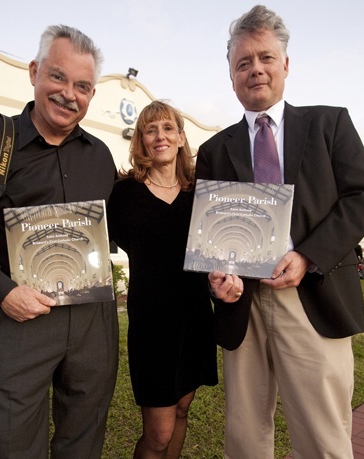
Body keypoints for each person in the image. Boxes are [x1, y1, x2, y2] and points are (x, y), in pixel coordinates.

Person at [196, 5, 364, 459]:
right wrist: (218, 277)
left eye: (265, 58)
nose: (254, 69)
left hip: (312, 297)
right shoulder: (214, 150)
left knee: (322, 438)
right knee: (244, 437)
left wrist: (307, 256)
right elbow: (210, 232)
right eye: (243, 62)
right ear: (231, 76)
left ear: (285, 64)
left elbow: (361, 197)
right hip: (244, 307)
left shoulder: (329, 123)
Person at [0, 25, 118, 459]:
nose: (69, 94)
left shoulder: (100, 155)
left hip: (93, 320)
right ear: (35, 72)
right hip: (21, 315)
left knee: (84, 435)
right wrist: (4, 291)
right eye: (57, 77)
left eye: (83, 86)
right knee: (13, 442)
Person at [107, 100, 243, 459]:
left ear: (182, 138)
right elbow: (127, 241)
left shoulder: (201, 195)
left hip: (195, 318)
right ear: (141, 140)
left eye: (168, 128)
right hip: (152, 324)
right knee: (158, 432)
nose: (160, 136)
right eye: (150, 130)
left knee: (182, 410)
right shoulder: (123, 194)